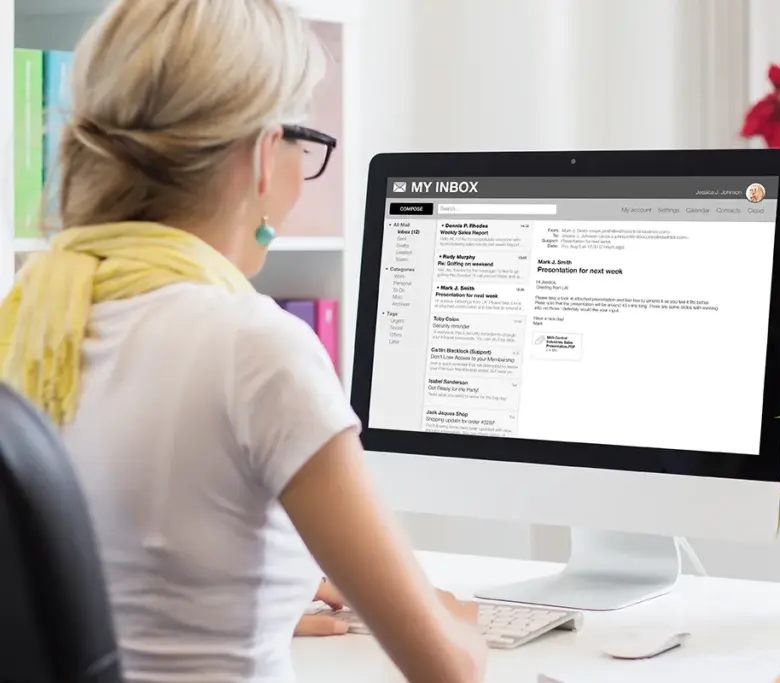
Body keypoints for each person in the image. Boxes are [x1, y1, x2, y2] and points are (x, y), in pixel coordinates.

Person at [0, 1, 486, 682]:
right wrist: (462, 630)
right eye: (305, 139)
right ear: (264, 151)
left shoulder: (31, 317)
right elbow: (447, 670)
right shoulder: (254, 348)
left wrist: (253, 600)